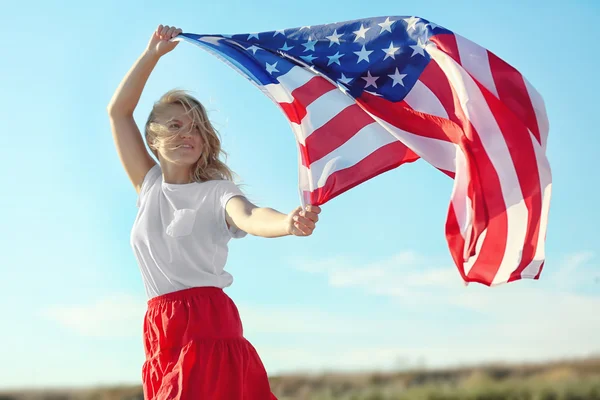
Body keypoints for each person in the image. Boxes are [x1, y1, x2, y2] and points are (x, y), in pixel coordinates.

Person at [107, 24, 321, 400]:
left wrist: (288, 223)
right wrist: (152, 54)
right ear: (153, 140)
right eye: (175, 125)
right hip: (159, 326)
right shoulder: (149, 186)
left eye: (196, 128)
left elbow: (251, 216)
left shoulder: (217, 192)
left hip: (206, 324)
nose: (188, 134)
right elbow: (118, 112)